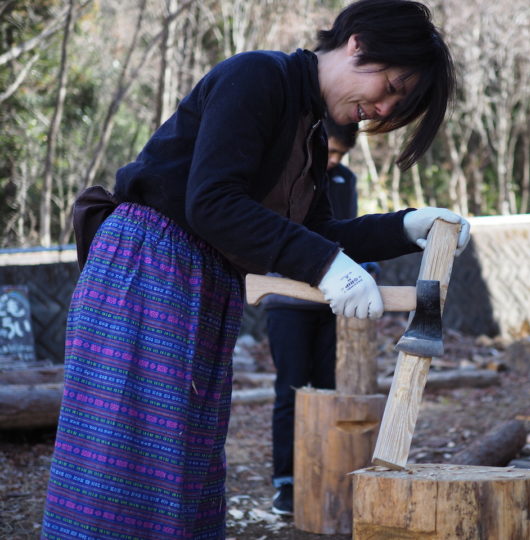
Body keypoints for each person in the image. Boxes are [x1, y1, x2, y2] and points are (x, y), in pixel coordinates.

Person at [41, 1, 470, 538]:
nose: (383, 110)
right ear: (357, 43)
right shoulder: (258, 76)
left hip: (200, 285)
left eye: (395, 104)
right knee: (123, 461)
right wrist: (327, 266)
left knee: (184, 466)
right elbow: (212, 202)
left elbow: (315, 236)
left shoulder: (310, 133)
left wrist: (405, 226)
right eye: (392, 86)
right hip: (147, 274)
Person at [263, 118, 375, 516]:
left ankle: (330, 472)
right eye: (329, 152)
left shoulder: (343, 180)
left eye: (340, 155)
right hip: (286, 301)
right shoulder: (282, 172)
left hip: (334, 305)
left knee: (331, 388)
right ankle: (287, 482)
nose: (332, 161)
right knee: (291, 391)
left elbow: (344, 232)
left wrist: (366, 265)